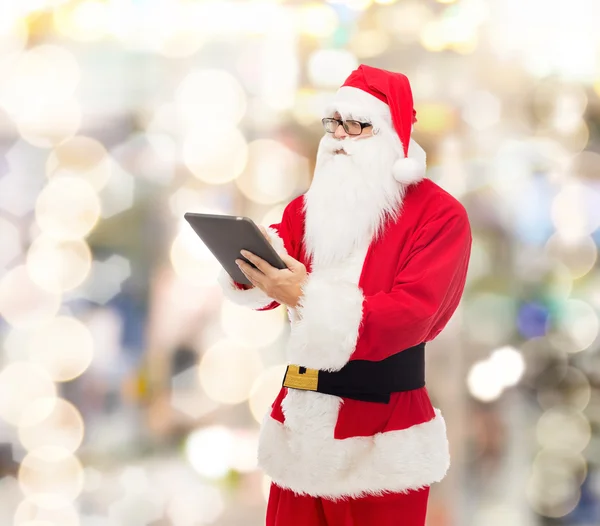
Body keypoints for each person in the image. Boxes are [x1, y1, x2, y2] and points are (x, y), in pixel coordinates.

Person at [218, 64, 472, 526]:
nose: (338, 137)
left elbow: (410, 316)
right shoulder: (308, 208)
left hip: (382, 435)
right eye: (332, 123)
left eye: (355, 124)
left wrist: (305, 297)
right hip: (301, 425)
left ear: (391, 136)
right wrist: (247, 266)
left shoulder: (440, 216)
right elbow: (273, 281)